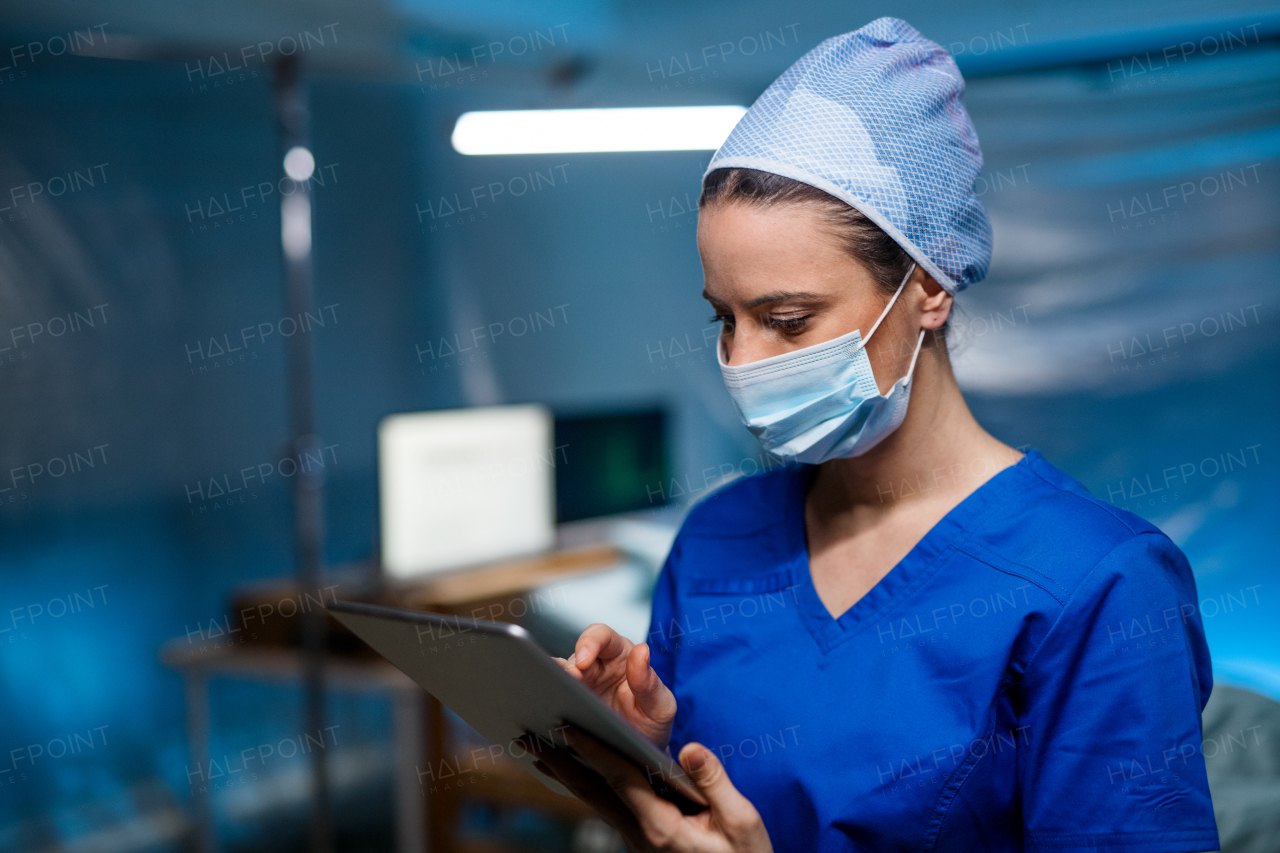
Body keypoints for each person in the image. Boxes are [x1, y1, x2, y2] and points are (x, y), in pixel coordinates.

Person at [533, 18, 1220, 853]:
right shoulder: (719, 539)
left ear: (927, 286)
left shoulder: (1098, 585)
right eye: (725, 319)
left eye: (788, 320)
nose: (742, 362)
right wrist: (640, 758)